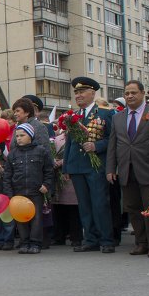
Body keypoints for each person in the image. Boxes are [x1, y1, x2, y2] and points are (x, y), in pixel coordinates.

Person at [106, 80, 149, 257]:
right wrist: (111, 168)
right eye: (127, 93)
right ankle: (140, 243)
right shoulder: (117, 117)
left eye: (133, 92)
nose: (130, 96)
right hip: (126, 169)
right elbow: (113, 144)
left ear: (143, 94)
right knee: (132, 207)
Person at [62, 77, 115, 253]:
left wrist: (96, 146)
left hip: (96, 165)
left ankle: (106, 239)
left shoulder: (105, 113)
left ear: (92, 93)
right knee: (84, 205)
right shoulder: (73, 116)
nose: (78, 95)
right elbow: (69, 142)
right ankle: (90, 238)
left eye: (82, 92)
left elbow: (112, 140)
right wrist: (66, 168)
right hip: (77, 165)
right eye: (76, 93)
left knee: (100, 203)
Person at [0, 124, 53, 253]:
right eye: (17, 136)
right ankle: (24, 242)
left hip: (36, 191)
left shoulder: (41, 151)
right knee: (20, 218)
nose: (19, 138)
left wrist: (46, 184)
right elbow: (7, 176)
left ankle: (35, 243)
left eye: (22, 135)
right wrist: (9, 194)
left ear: (31, 136)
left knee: (36, 218)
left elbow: (49, 171)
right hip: (18, 192)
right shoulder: (13, 154)